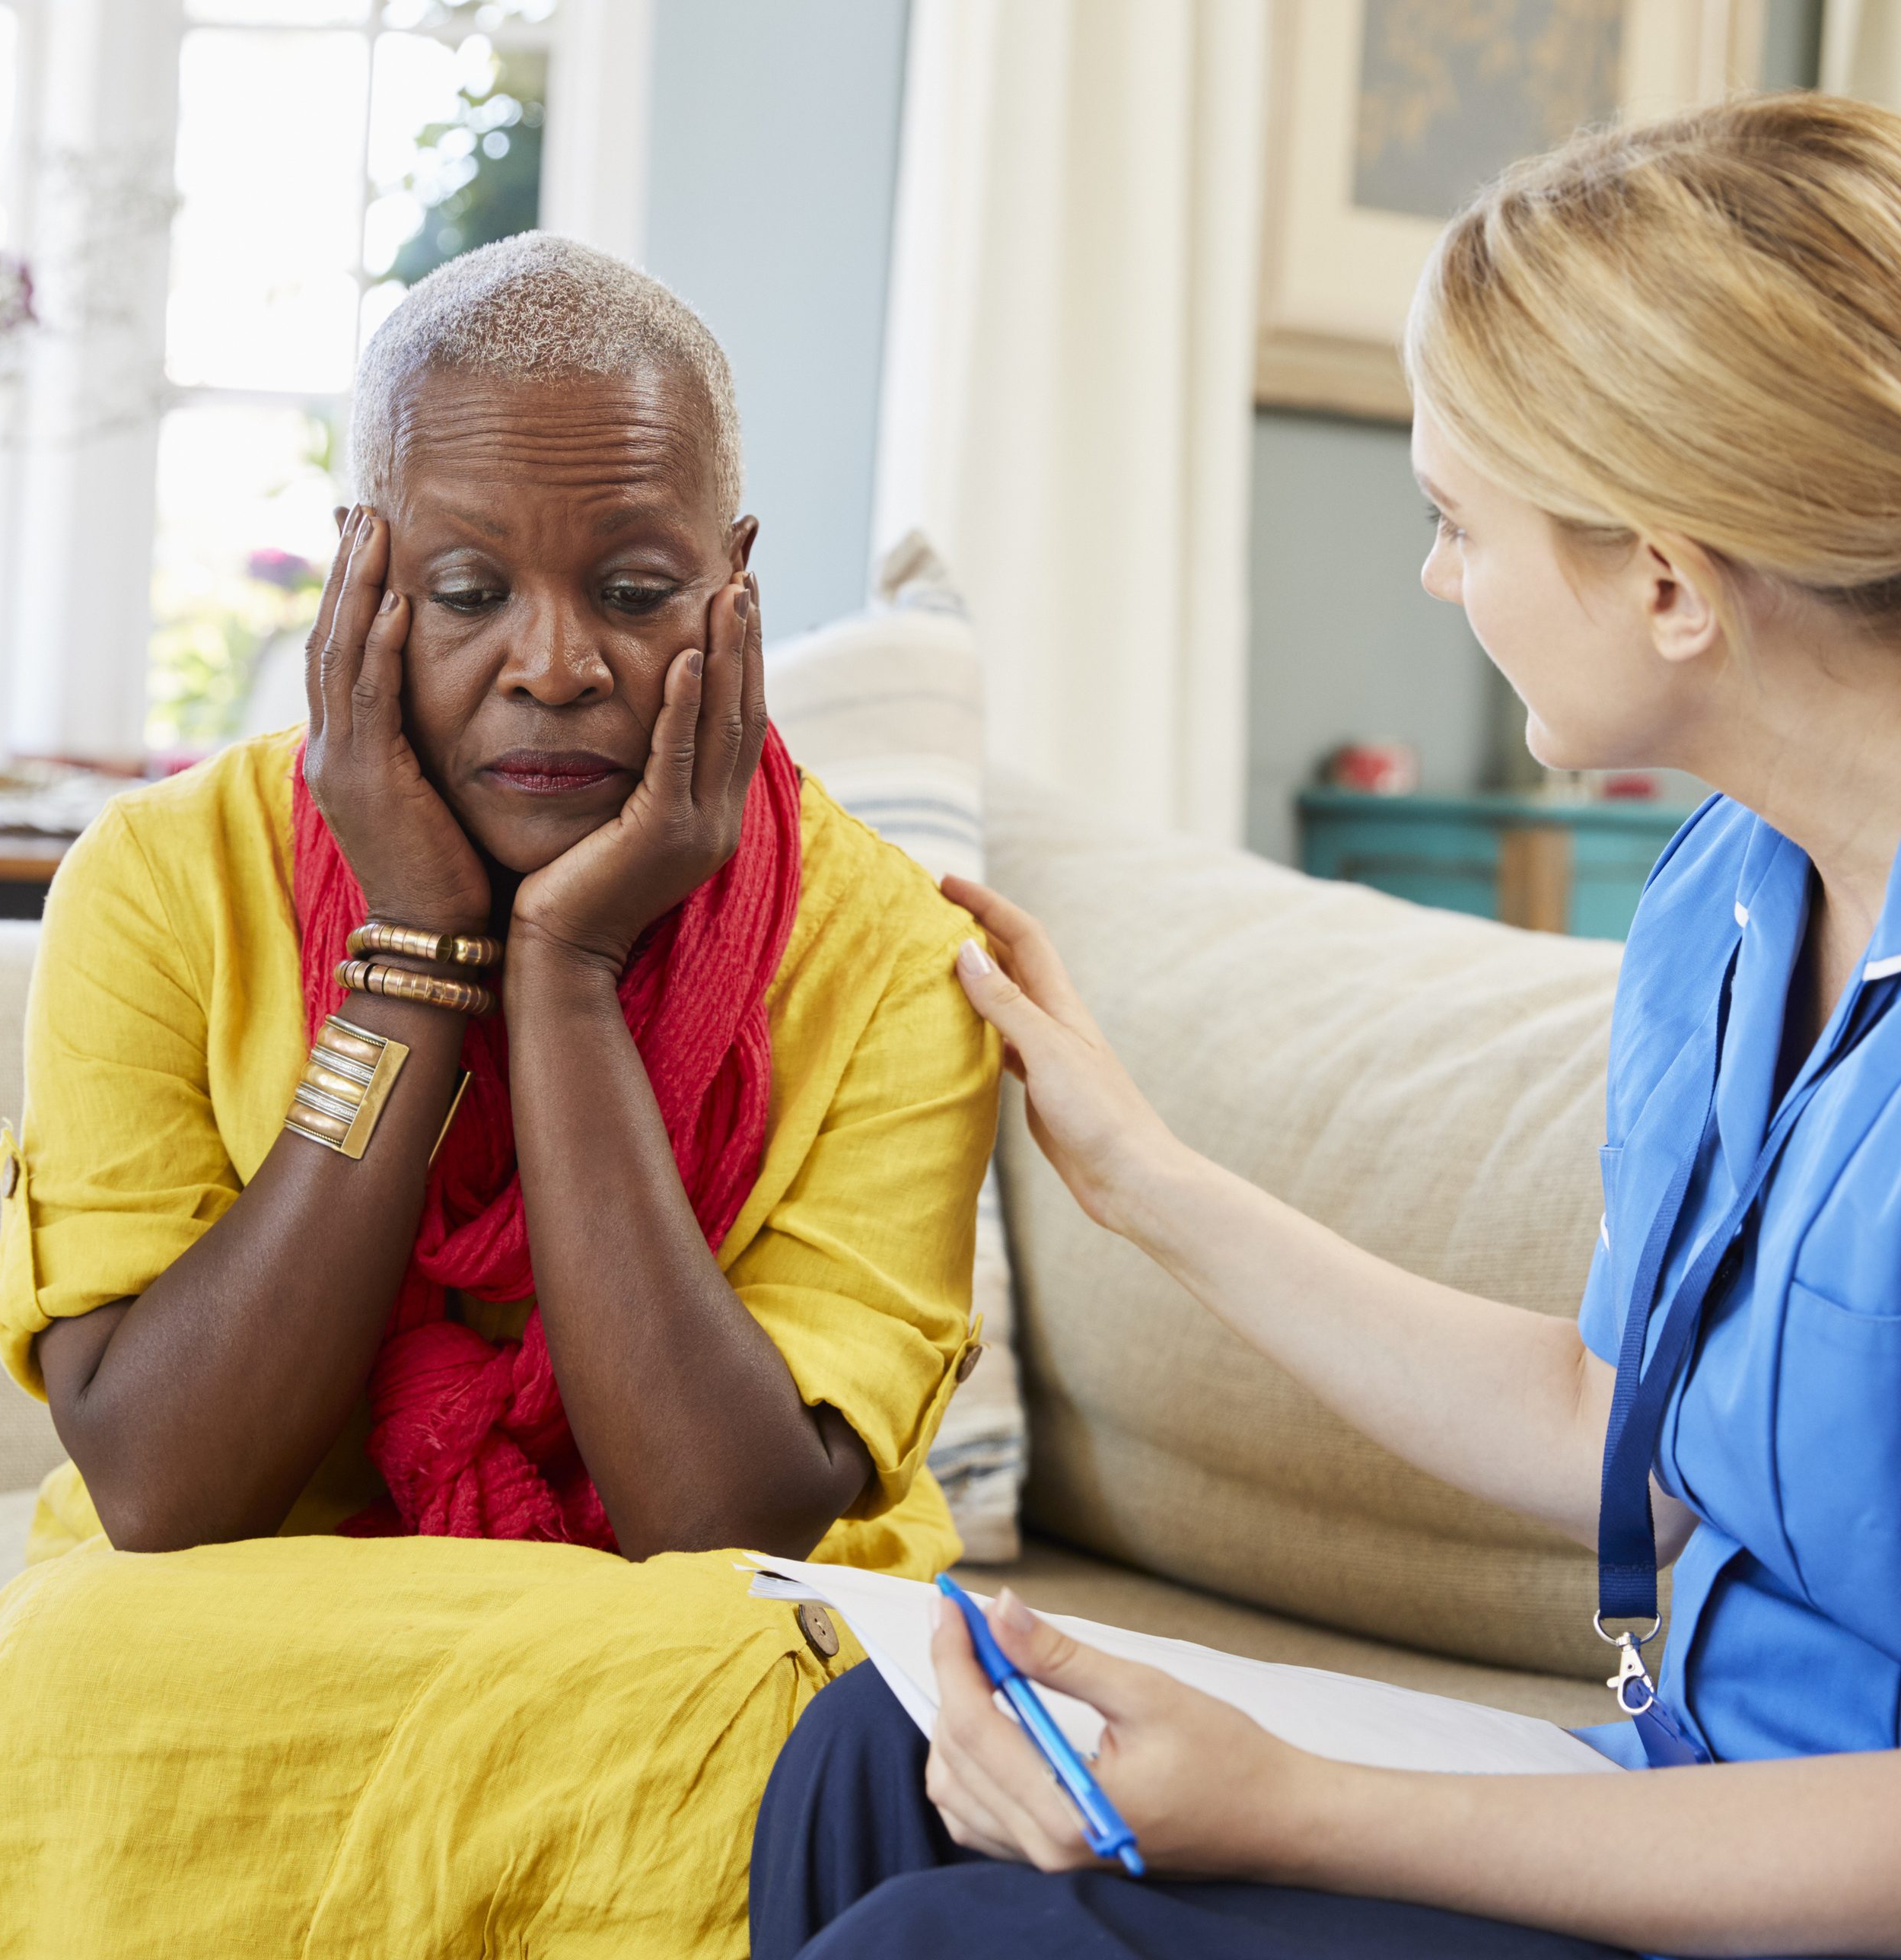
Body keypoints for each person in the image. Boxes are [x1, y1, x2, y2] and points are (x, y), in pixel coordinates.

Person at [750, 94, 1901, 1960]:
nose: (1437, 576)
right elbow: (1612, 1427)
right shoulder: (1726, 897)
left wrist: (1302, 1802)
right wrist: (1143, 1175)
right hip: (1683, 1779)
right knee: (877, 1749)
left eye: (1457, 520)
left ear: (1666, 580)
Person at [0, 235, 998, 1958]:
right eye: (465, 592)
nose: (555, 662)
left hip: (677, 1643)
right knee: (67, 1663)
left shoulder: (892, 956)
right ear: (360, 576)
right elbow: (163, 1490)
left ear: (733, 592)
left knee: (755, 1693)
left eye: (637, 592)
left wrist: (566, 975)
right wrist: (415, 960)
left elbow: (713, 1523)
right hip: (241, 1620)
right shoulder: (158, 879)